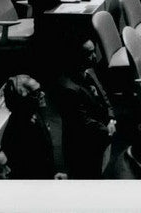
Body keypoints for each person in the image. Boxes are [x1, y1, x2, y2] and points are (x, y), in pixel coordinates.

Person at [54, 39, 117, 179]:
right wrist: (107, 130)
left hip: (102, 135)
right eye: (89, 53)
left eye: (94, 51)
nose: (94, 57)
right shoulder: (68, 88)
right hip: (83, 147)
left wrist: (111, 118)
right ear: (75, 57)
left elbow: (104, 96)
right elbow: (83, 122)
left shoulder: (89, 70)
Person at [1, 75, 61, 179]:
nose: (43, 94)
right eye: (37, 93)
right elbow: (30, 169)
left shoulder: (32, 113)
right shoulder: (19, 131)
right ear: (23, 100)